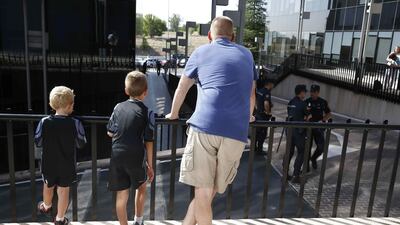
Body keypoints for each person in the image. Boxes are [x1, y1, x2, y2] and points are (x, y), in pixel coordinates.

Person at [165, 16, 257, 225]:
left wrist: (174, 114)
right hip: (236, 132)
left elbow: (182, 87)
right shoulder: (247, 54)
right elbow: (251, 94)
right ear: (233, 37)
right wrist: (249, 116)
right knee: (210, 191)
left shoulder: (201, 52)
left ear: (209, 36)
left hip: (205, 127)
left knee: (203, 192)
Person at [107, 71, 155, 225]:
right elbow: (149, 140)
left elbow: (110, 132)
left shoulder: (118, 107)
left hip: (117, 154)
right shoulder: (148, 113)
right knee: (141, 187)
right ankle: (138, 220)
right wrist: (150, 165)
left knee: (122, 195)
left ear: (126, 91)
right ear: (145, 92)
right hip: (135, 155)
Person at [35, 86, 87, 225]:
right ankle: (60, 219)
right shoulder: (75, 123)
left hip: (48, 163)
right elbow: (81, 142)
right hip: (67, 163)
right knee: (64, 191)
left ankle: (46, 206)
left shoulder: (44, 121)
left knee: (48, 185)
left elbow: (38, 141)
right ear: (70, 105)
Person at [285, 84, 309, 184]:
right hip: (299, 131)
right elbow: (308, 117)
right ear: (301, 92)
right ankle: (296, 175)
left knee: (289, 152)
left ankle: (285, 174)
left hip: (289, 130)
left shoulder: (290, 102)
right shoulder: (303, 104)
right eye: (305, 92)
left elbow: (290, 113)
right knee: (301, 152)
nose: (305, 94)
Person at [305, 84, 332, 170]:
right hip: (309, 127)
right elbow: (303, 114)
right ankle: (306, 167)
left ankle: (313, 159)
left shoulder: (323, 102)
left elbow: (329, 114)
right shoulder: (307, 101)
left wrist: (323, 120)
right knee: (307, 148)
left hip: (319, 127)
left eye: (314, 92)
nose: (312, 93)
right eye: (311, 92)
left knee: (321, 147)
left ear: (318, 92)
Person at [255, 79, 274, 155]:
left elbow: (256, 101)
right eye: (273, 84)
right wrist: (268, 112)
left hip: (258, 114)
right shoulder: (267, 92)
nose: (273, 86)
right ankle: (259, 150)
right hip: (263, 116)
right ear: (269, 84)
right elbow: (266, 103)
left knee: (257, 132)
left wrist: (258, 109)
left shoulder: (260, 90)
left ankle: (254, 148)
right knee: (263, 134)